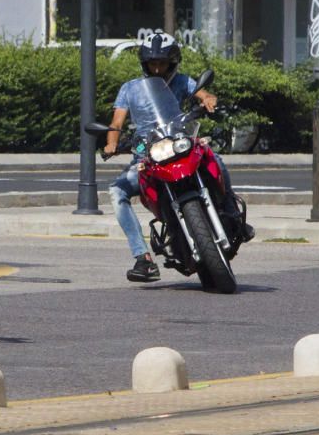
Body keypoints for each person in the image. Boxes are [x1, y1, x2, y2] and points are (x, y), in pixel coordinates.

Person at [103, 31, 253, 283]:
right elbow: (117, 121)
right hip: (147, 153)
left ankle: (232, 214)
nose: (158, 68)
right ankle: (143, 258)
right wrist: (111, 144)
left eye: (162, 63)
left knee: (215, 159)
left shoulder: (183, 81)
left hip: (179, 143)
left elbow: (201, 93)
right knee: (116, 192)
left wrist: (208, 99)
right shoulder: (130, 89)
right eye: (153, 63)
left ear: (173, 62)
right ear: (145, 63)